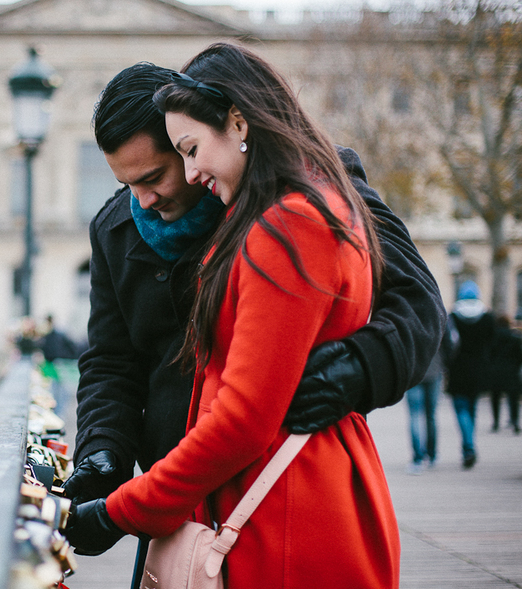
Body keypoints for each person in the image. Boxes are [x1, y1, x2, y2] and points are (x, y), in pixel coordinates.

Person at [65, 42, 401, 586]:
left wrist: (353, 371)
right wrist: (103, 453)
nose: (143, 199)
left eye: (184, 153)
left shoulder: (285, 219)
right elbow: (110, 360)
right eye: (126, 185)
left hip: (269, 494)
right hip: (198, 498)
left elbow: (240, 419)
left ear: (229, 124)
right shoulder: (294, 206)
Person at [446, 280, 495, 468]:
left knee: (460, 409)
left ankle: (468, 446)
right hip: (478, 368)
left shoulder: (453, 316)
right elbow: (492, 342)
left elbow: (448, 342)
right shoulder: (487, 317)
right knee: (472, 408)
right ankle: (470, 444)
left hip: (458, 368)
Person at [406, 323, 451, 473]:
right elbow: (450, 343)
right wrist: (443, 363)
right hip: (434, 369)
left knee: (414, 415)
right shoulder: (439, 314)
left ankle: (417, 458)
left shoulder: (406, 314)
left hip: (412, 371)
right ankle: (431, 455)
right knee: (430, 415)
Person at [489, 315, 521, 434]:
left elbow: (489, 354)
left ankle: (496, 422)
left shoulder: (493, 336)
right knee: (513, 399)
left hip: (496, 370)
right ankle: (515, 422)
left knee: (495, 398)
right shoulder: (515, 337)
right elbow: (519, 356)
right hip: (511, 371)